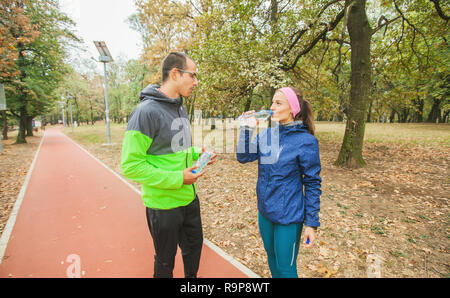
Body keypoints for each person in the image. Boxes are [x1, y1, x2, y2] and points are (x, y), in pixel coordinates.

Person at [121, 52, 216, 278]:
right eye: (192, 76)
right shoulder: (145, 112)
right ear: (175, 73)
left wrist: (197, 152)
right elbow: (131, 165)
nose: (196, 82)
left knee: (193, 252)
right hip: (163, 206)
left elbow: (175, 146)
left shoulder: (179, 107)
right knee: (165, 263)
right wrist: (177, 178)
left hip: (189, 199)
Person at [236, 86, 322, 278]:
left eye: (278, 102)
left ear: (292, 109)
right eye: (272, 102)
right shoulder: (267, 135)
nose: (272, 106)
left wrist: (311, 224)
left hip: (289, 217)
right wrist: (247, 128)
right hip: (265, 212)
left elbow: (313, 183)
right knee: (272, 258)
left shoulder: (305, 141)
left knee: (286, 269)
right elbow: (243, 157)